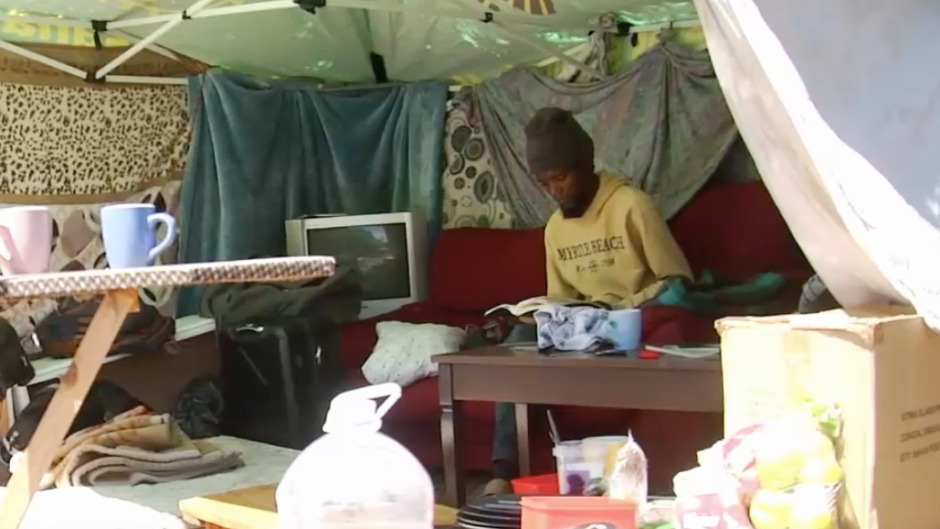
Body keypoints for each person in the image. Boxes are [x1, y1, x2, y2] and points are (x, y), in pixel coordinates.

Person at [483, 107, 693, 495]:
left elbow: (677, 280)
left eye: (561, 177)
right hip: (585, 328)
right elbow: (561, 300)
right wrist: (540, 316)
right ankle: (502, 471)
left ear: (585, 166)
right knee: (516, 344)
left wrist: (622, 307)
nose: (555, 190)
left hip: (635, 318)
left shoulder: (632, 205)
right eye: (544, 183)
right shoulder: (554, 229)